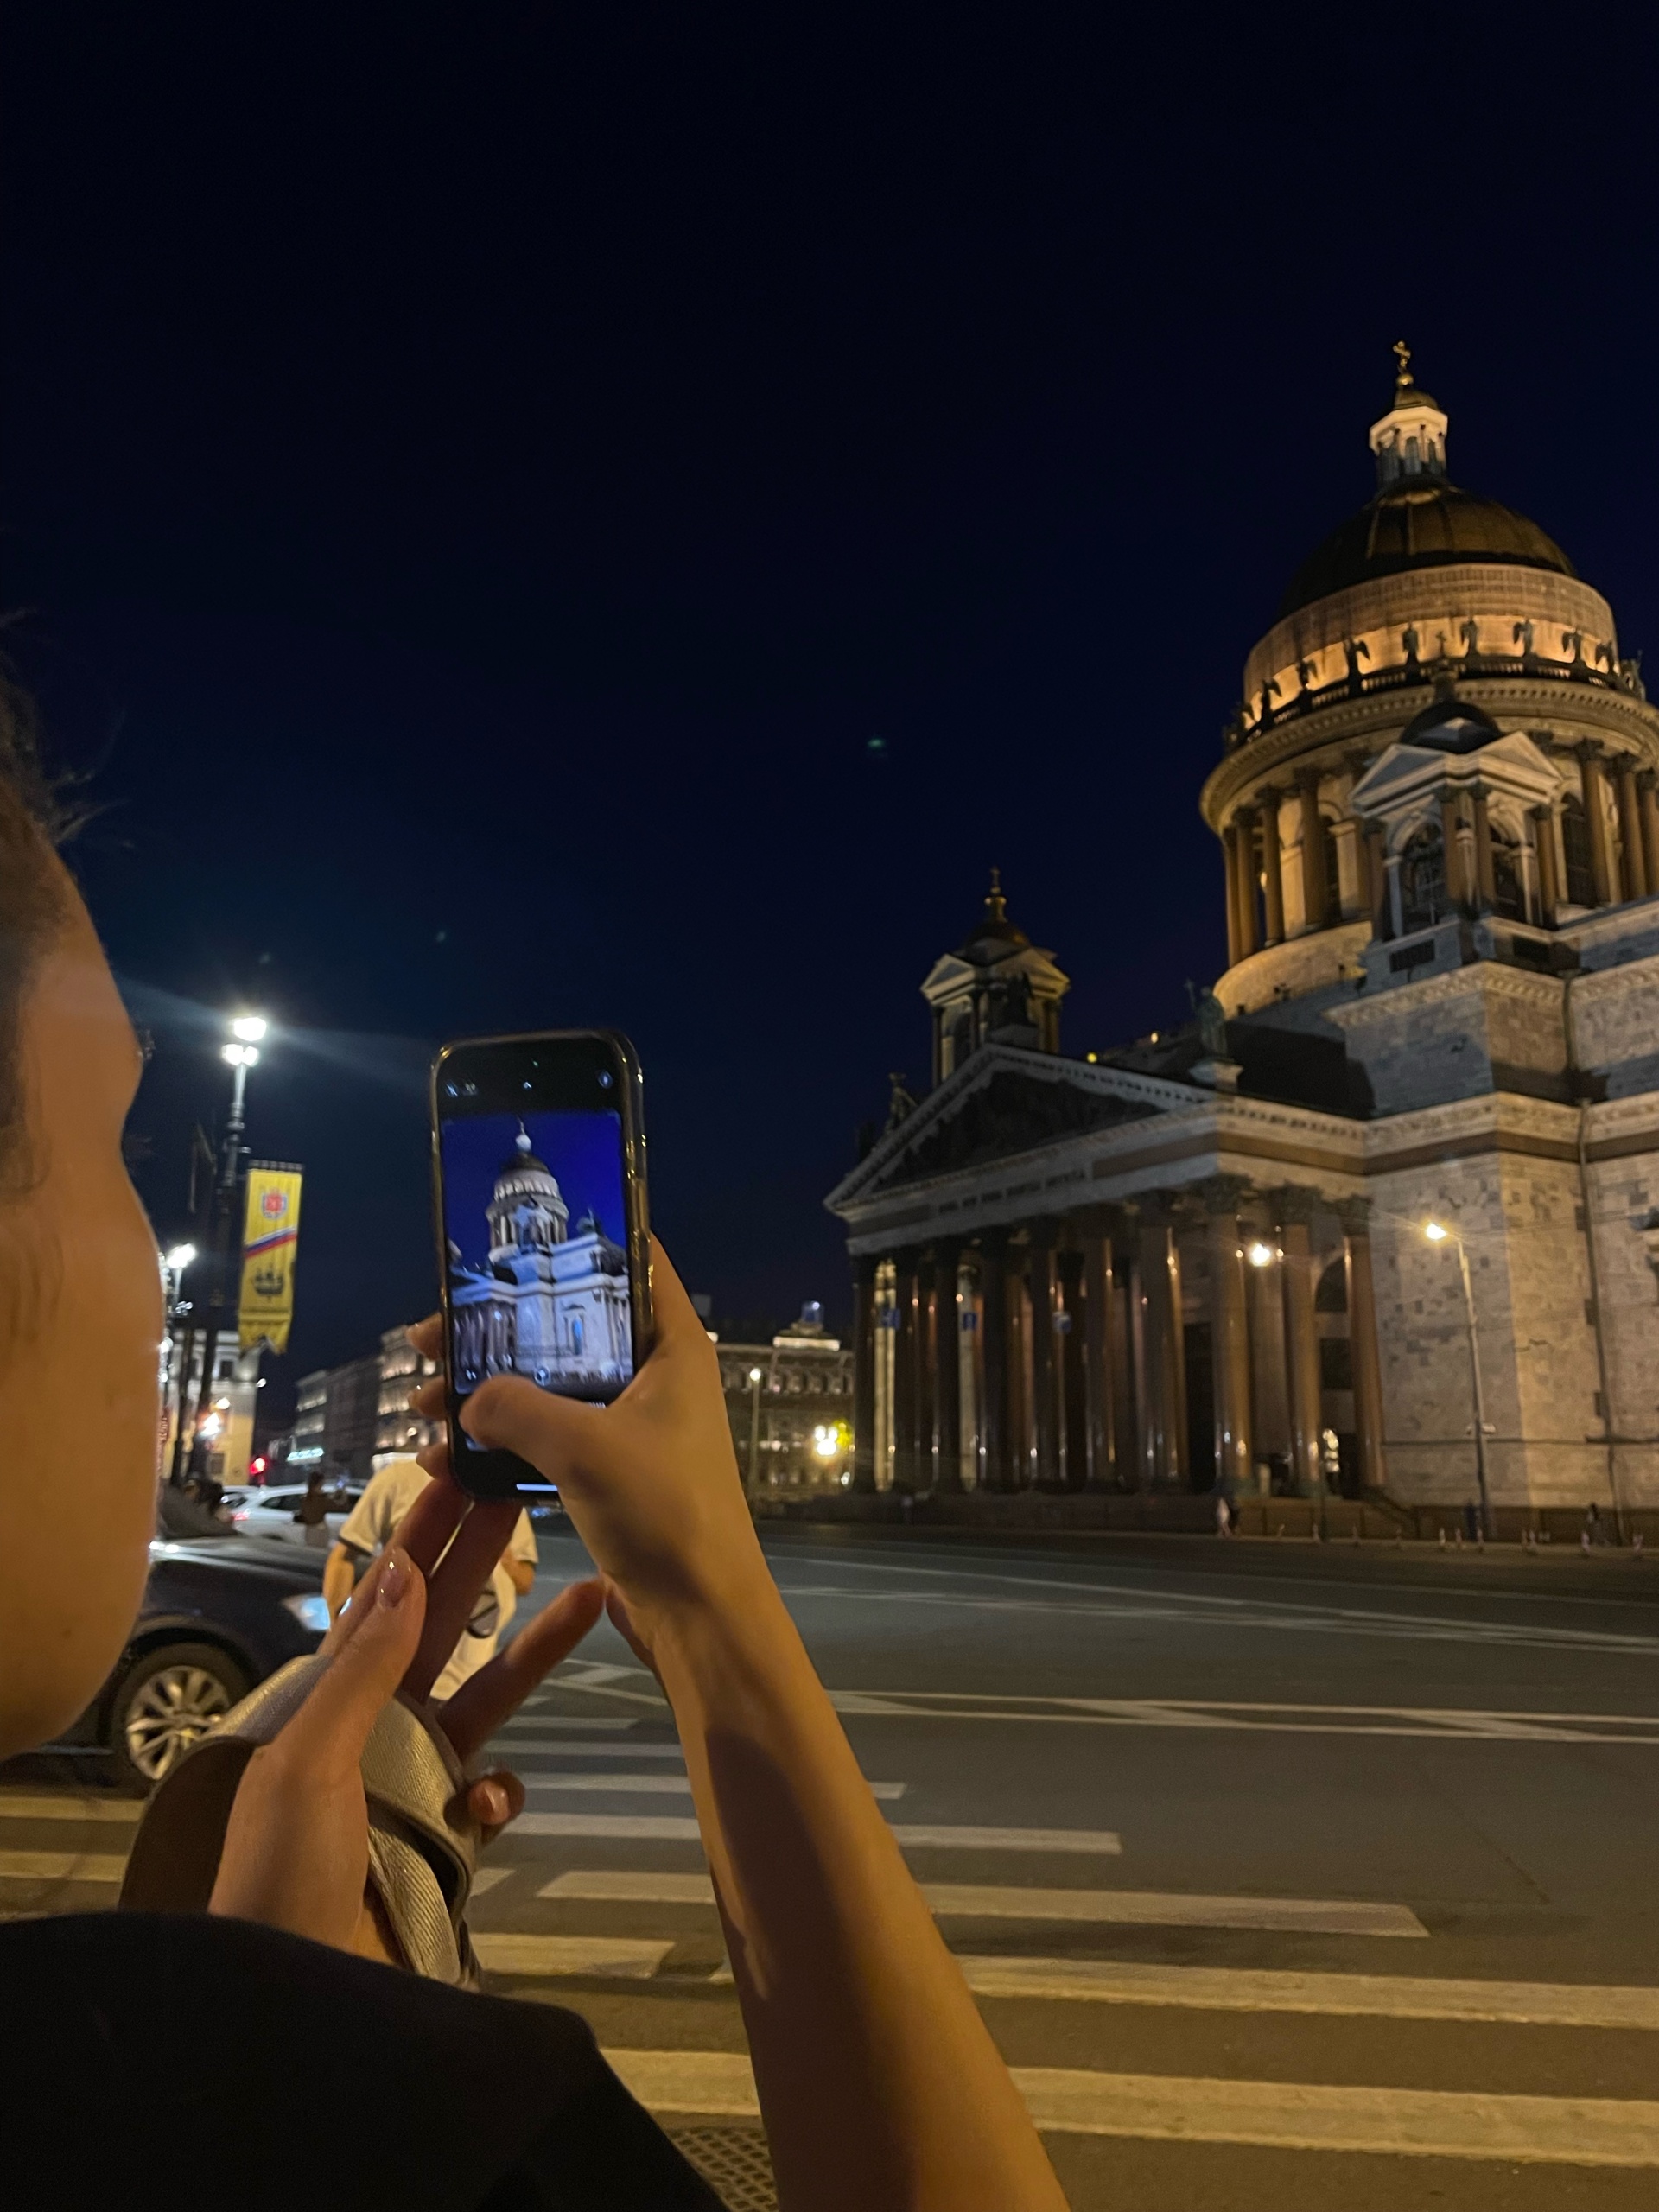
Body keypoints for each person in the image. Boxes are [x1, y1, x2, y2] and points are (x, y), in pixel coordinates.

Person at [0, 708, 1067, 2210]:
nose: (158, 1253)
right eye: (113, 1142)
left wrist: (263, 1968)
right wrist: (720, 1626)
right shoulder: (348, 2123)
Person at [323, 1455, 538, 1694]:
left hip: (471, 1679)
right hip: (396, 1676)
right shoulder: (397, 1479)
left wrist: (501, 1552)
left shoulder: (502, 1494)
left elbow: (525, 1582)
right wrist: (341, 1636)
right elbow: (343, 1557)